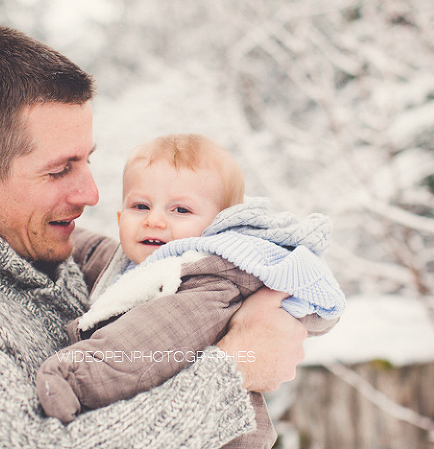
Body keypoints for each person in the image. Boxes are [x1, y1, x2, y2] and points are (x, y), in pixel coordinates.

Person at [0, 24, 311, 448]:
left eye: (87, 160)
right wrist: (233, 373)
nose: (92, 193)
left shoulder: (84, 264)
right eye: (60, 169)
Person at [37, 134, 345, 448]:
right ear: (120, 217)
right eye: (140, 206)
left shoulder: (206, 282)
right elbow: (92, 253)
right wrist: (38, 229)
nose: (154, 220)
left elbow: (146, 342)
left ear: (219, 226)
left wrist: (75, 377)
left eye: (180, 210)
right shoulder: (143, 263)